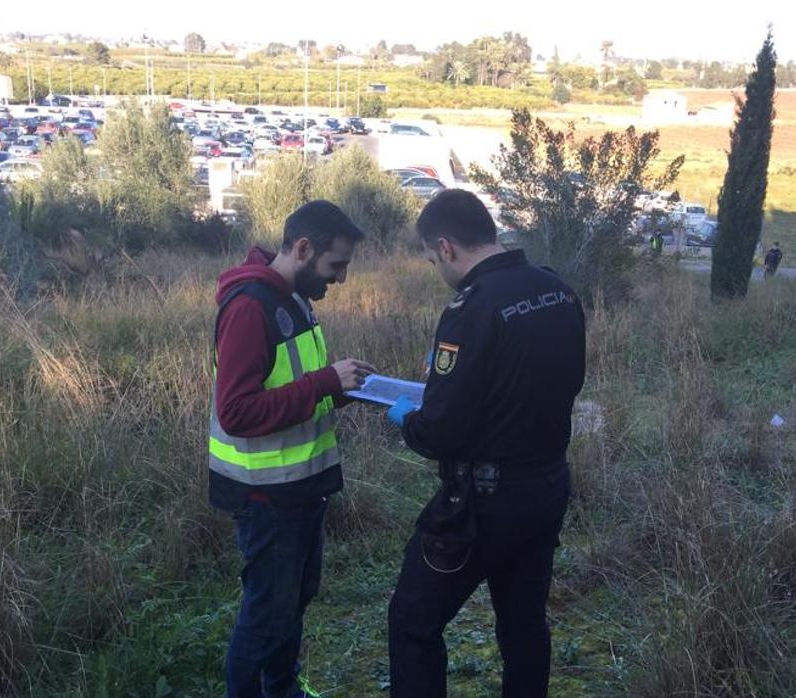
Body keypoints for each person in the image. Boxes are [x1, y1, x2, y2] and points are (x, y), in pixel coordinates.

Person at [385, 190, 587, 698]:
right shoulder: (557, 290)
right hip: (546, 487)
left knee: (413, 622)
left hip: (482, 504)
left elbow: (442, 431)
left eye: (433, 260)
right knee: (523, 625)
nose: (437, 269)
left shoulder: (470, 310)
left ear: (447, 247)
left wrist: (410, 421)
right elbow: (570, 382)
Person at [210, 200, 375, 698]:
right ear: (303, 249)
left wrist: (347, 388)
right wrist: (326, 381)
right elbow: (237, 411)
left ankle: (282, 690)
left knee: (294, 601)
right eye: (335, 266)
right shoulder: (248, 308)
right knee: (266, 615)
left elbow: (296, 388)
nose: (341, 279)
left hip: (302, 488)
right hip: (267, 498)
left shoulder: (296, 300)